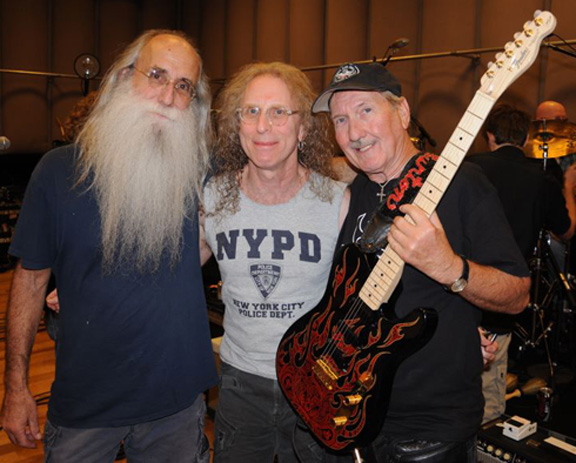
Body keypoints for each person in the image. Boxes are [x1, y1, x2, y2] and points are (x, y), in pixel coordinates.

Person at [0, 30, 217, 463]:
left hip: (175, 403)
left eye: (183, 86)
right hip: (85, 401)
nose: (168, 95)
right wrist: (15, 386)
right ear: (122, 78)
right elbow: (29, 281)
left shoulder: (200, 174)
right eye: (156, 75)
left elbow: (199, 247)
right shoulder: (58, 172)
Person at [310, 62, 530, 462]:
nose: (354, 132)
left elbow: (517, 294)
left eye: (365, 110)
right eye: (340, 119)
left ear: (404, 113)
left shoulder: (463, 184)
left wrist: (451, 268)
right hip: (352, 415)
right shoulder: (358, 190)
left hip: (429, 432)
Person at [201, 61, 349, 463]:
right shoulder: (212, 199)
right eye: (251, 112)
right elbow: (166, 272)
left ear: (303, 128)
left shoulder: (336, 201)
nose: (262, 126)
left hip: (317, 384)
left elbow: (372, 292)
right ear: (237, 125)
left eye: (278, 112)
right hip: (240, 385)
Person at [468, 103, 576, 423]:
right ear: (527, 138)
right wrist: (569, 186)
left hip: (460, 286)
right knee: (489, 391)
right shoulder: (542, 179)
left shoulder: (468, 167)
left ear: (489, 136)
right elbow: (567, 230)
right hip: (503, 293)